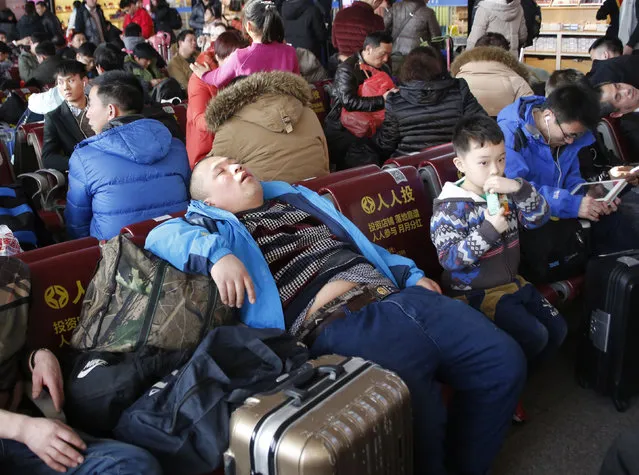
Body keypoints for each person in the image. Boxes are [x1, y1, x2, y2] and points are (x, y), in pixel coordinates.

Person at [144, 155, 527, 475]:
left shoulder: (294, 198)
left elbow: (363, 247)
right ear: (207, 201)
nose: (236, 168)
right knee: (418, 417)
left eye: (235, 162)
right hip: (342, 326)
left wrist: (410, 273)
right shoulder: (208, 227)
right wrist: (218, 255)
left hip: (400, 297)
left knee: (504, 363)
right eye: (221, 172)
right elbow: (157, 237)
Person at [430, 114, 566, 365]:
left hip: (513, 282)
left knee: (558, 329)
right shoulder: (450, 209)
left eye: (501, 159)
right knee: (536, 335)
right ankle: (515, 378)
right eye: (484, 162)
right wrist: (488, 230)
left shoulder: (507, 191)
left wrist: (519, 188)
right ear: (460, 164)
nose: (495, 169)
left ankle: (526, 373)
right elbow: (449, 258)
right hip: (477, 294)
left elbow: (539, 218)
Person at [498, 85, 637, 255]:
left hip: (562, 210)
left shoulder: (570, 129)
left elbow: (572, 177)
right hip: (529, 218)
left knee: (620, 225)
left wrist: (589, 195)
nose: (570, 142)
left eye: (576, 136)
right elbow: (516, 190)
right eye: (568, 135)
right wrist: (572, 205)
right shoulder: (509, 136)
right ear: (548, 116)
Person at [65, 71, 190, 240]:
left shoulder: (84, 157)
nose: (87, 114)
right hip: (180, 244)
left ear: (111, 111)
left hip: (119, 258)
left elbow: (77, 226)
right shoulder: (175, 146)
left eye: (91, 105)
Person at [0, 347, 163, 475]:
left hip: (25, 415)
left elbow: (12, 353)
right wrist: (24, 429)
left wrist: (38, 357)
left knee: (135, 466)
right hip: (15, 428)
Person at [351, 45, 485, 167]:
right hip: (452, 163)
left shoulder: (395, 100)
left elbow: (386, 143)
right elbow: (482, 124)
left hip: (409, 167)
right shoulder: (459, 90)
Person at [206, 71, 329, 182]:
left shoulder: (229, 129)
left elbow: (209, 175)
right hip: (323, 193)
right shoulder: (307, 111)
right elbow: (325, 157)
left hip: (271, 201)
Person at [323, 31, 394, 170]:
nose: (386, 59)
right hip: (344, 128)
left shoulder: (384, 68)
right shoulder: (347, 69)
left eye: (388, 55)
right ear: (368, 49)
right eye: (382, 54)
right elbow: (349, 102)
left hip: (374, 125)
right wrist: (382, 100)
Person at [191, 0, 299, 89]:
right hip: (287, 112)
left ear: (249, 26)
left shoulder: (240, 56)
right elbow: (297, 85)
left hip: (255, 113)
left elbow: (217, 79)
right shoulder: (290, 52)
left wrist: (204, 74)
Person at [186, 30, 246, 168]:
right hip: (207, 153)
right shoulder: (199, 79)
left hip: (235, 147)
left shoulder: (240, 75)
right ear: (218, 57)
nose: (237, 67)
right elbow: (200, 121)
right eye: (232, 62)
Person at [451, 45, 533, 117]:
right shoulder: (517, 80)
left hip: (462, 130)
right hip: (504, 132)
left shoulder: (456, 80)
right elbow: (528, 114)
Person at [42, 61, 94, 172]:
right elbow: (48, 158)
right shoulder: (54, 117)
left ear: (84, 81)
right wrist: (80, 163)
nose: (65, 87)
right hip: (84, 171)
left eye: (71, 81)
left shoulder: (99, 105)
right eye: (60, 82)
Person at [384, 0, 440, 74]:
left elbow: (383, 26)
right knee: (413, 79)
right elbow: (436, 38)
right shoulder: (428, 12)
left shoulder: (396, 7)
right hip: (417, 57)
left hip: (395, 53)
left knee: (395, 79)